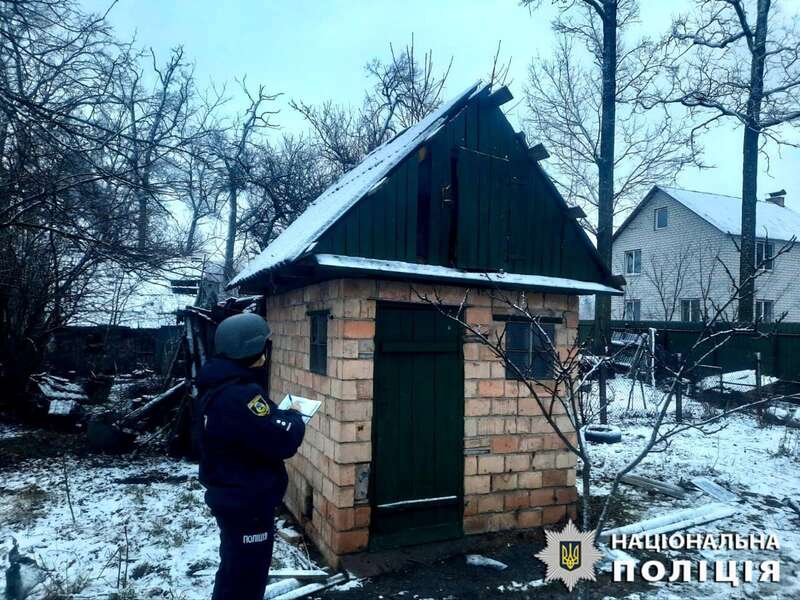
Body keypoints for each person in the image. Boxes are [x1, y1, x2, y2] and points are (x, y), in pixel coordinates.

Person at [196, 312, 306, 600]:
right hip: (248, 503)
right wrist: (295, 419)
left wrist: (277, 415)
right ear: (251, 350)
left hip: (233, 498)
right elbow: (283, 439)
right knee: (246, 579)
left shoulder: (218, 385)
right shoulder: (241, 395)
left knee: (234, 572)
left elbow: (259, 421)